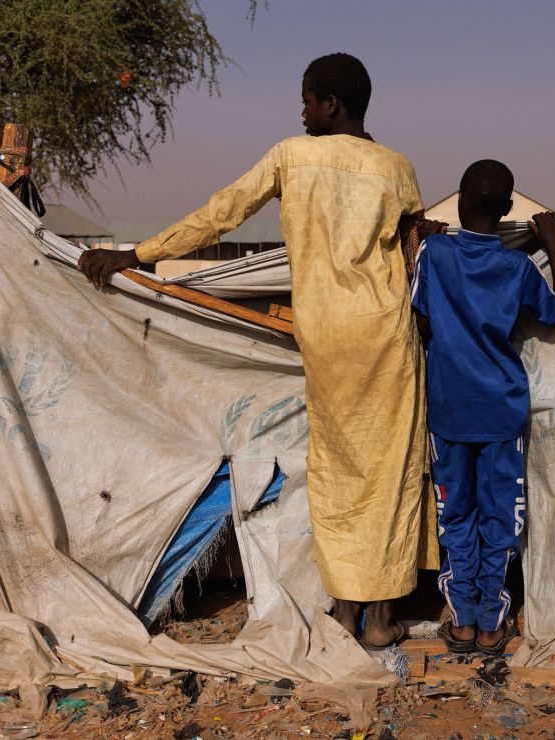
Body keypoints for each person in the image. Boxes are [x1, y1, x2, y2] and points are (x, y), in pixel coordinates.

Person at [77, 53, 435, 648]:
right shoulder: (396, 167)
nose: (300, 111)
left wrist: (140, 254)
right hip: (386, 336)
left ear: (331, 105)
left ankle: (345, 613)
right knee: (389, 468)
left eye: (306, 100)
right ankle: (379, 620)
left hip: (324, 335)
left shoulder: (290, 156)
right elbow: (416, 252)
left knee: (335, 468)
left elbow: (222, 213)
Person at [410, 160, 555, 654]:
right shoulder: (518, 267)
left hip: (450, 411)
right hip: (502, 411)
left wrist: (418, 239)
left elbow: (419, 323)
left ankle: (461, 623)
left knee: (455, 513)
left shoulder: (435, 254)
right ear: (506, 212)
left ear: (458, 202)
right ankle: (489, 624)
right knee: (501, 515)